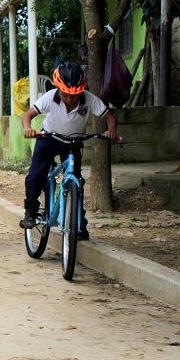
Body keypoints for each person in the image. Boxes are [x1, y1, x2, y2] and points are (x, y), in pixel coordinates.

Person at [19, 61, 118, 240]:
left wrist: (111, 131)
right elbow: (28, 115)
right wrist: (28, 128)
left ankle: (79, 223)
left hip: (73, 142)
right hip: (49, 139)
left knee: (77, 181)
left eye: (75, 95)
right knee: (35, 176)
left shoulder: (89, 99)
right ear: (58, 89)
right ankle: (31, 212)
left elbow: (109, 117)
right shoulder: (50, 97)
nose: (71, 99)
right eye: (66, 95)